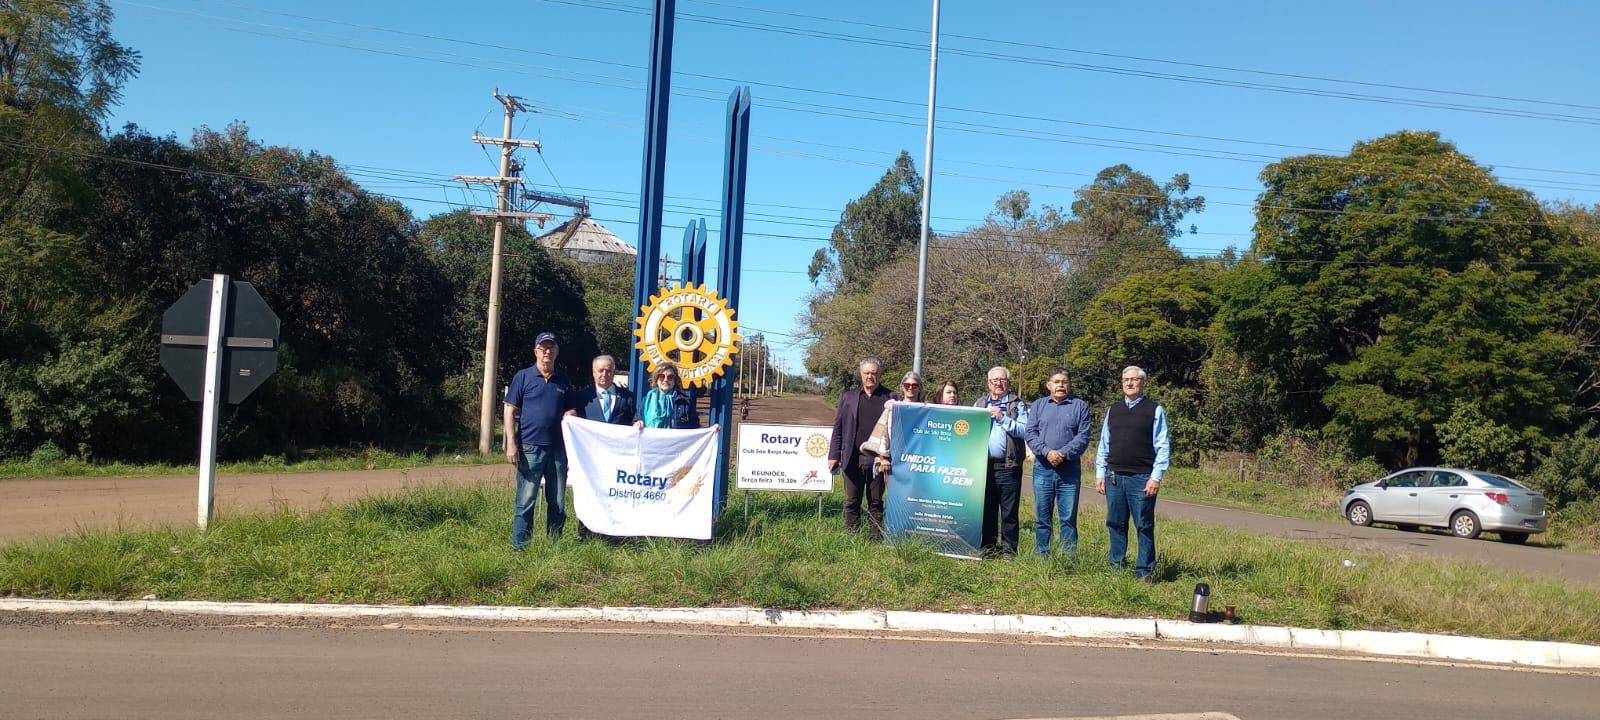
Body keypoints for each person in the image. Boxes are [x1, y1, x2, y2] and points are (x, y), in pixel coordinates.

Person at [1094, 365, 1170, 582]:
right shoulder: (1113, 410)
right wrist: (1100, 473)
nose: (1129, 383)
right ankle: (1116, 566)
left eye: (1134, 379)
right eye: (1126, 379)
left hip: (1142, 478)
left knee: (1143, 525)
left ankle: (1144, 572)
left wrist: (1156, 477)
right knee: (1115, 523)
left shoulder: (1154, 410)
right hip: (1114, 477)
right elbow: (1104, 444)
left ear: (1143, 383)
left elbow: (1162, 445)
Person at [502, 331, 577, 550]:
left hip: (558, 450)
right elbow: (509, 410)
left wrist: (570, 414)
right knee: (526, 501)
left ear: (557, 352)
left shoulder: (563, 380)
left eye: (551, 347)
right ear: (535, 351)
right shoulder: (523, 377)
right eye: (543, 347)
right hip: (529, 448)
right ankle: (520, 547)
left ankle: (554, 546)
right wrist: (511, 444)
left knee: (558, 502)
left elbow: (571, 408)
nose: (547, 351)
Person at [1025, 368, 1092, 556]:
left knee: (1068, 518)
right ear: (1049, 385)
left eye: (1064, 382)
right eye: (1056, 382)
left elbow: (1083, 436)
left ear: (1069, 385)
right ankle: (1042, 556)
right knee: (1042, 517)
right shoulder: (1038, 405)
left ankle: (1067, 559)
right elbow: (1030, 433)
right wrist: (1047, 452)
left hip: (1069, 470)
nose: (1060, 385)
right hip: (1043, 468)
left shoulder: (1079, 406)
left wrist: (1062, 453)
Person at [827, 356, 894, 539]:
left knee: (876, 502)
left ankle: (875, 538)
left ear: (880, 374)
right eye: (866, 373)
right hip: (852, 458)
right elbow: (838, 428)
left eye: (873, 373)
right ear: (861, 374)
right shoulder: (848, 398)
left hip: (878, 461)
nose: (870, 376)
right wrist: (833, 455)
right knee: (851, 501)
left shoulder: (891, 398)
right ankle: (852, 537)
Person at [975, 366, 1028, 557]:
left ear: (1008, 382)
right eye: (994, 380)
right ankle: (988, 548)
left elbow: (1025, 430)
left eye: (1002, 380)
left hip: (1009, 465)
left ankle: (1008, 552)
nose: (998, 383)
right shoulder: (980, 403)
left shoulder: (1017, 404)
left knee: (1009, 512)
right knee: (987, 509)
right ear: (988, 383)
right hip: (984, 466)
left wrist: (1002, 418)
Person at [863, 371, 924, 478]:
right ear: (903, 387)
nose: (910, 388)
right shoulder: (893, 408)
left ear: (920, 388)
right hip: (894, 461)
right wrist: (884, 458)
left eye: (914, 385)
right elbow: (884, 434)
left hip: (919, 462)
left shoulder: (926, 411)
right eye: (907, 385)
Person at [575, 354, 635, 426]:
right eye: (601, 371)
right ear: (593, 372)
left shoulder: (628, 397)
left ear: (613, 372)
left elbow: (634, 419)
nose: (604, 374)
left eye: (608, 371)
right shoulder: (582, 397)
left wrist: (637, 422)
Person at [641, 363, 700, 429]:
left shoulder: (684, 402)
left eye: (670, 377)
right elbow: (638, 418)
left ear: (674, 381)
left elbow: (695, 424)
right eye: (661, 376)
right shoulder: (646, 400)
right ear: (656, 379)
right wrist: (639, 422)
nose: (666, 380)